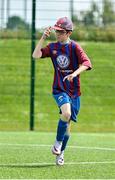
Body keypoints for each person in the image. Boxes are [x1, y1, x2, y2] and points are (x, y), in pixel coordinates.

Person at [33, 17, 92, 166]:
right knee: (66, 114)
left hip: (74, 92)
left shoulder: (75, 47)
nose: (57, 34)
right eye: (56, 31)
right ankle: (57, 142)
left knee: (67, 127)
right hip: (59, 89)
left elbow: (87, 63)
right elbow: (36, 55)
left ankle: (61, 151)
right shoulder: (53, 47)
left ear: (69, 33)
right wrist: (43, 37)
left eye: (61, 32)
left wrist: (74, 74)